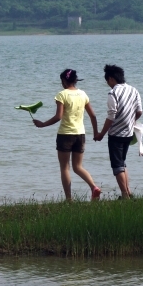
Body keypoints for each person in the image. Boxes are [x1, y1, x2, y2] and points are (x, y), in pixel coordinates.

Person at [33, 68, 102, 201]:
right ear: (75, 80)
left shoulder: (62, 95)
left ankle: (69, 199)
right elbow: (93, 115)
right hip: (80, 134)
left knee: (65, 167)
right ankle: (94, 187)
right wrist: (95, 133)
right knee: (78, 167)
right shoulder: (83, 94)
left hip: (65, 134)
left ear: (64, 81)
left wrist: (42, 124)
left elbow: (58, 117)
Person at [93, 64, 142, 199]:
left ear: (111, 79)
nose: (108, 84)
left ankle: (125, 195)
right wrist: (130, 121)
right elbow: (139, 111)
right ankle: (128, 191)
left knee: (117, 166)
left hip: (116, 134)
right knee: (122, 162)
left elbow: (111, 116)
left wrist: (101, 134)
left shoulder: (113, 92)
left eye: (107, 81)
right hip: (129, 133)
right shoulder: (134, 90)